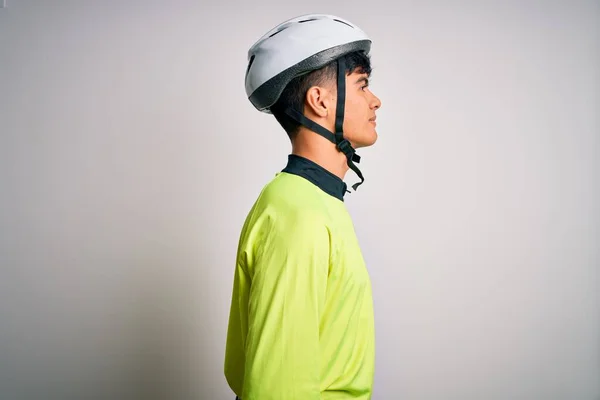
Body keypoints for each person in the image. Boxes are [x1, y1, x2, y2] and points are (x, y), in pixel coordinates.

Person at [224, 13, 382, 400]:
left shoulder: (313, 202)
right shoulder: (299, 215)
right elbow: (274, 388)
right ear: (320, 101)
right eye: (362, 85)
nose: (375, 100)